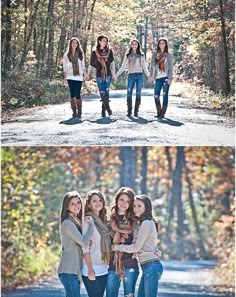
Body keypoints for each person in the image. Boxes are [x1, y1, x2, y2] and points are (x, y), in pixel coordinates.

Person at [112, 195, 163, 297]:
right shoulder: (142, 223)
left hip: (151, 266)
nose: (136, 209)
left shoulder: (147, 223)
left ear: (146, 207)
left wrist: (116, 247)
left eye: (139, 206)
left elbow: (136, 247)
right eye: (134, 206)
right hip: (148, 266)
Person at [57, 191, 94, 297]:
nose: (76, 206)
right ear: (67, 206)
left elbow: (81, 243)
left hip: (73, 270)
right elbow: (83, 242)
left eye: (78, 202)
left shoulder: (76, 222)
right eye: (72, 204)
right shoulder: (68, 223)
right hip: (68, 270)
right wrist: (91, 226)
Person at [106, 187, 139, 297]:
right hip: (113, 264)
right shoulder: (108, 220)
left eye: (128, 201)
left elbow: (144, 238)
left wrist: (154, 249)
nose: (124, 203)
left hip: (130, 263)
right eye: (122, 199)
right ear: (117, 200)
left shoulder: (135, 221)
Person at [82, 190, 111, 297]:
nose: (98, 203)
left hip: (104, 267)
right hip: (91, 267)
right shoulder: (87, 221)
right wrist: (90, 269)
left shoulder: (105, 222)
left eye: (100, 200)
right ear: (89, 204)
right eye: (94, 201)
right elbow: (85, 247)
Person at [115, 39, 150, 117]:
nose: (134, 45)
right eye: (133, 44)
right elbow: (123, 66)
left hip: (139, 75)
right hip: (131, 75)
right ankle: (129, 111)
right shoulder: (128, 55)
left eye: (135, 44)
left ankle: (136, 111)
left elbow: (144, 66)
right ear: (131, 45)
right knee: (129, 92)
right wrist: (117, 74)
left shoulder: (141, 54)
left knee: (138, 92)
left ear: (138, 45)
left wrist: (149, 76)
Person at [87, 35, 116, 117]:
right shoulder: (94, 52)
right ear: (99, 41)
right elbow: (90, 64)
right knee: (102, 92)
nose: (105, 42)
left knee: (106, 91)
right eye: (103, 40)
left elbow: (112, 63)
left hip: (108, 74)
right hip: (99, 74)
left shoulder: (109, 51)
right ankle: (108, 108)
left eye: (106, 41)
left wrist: (114, 73)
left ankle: (103, 110)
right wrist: (87, 74)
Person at [63, 37, 87, 119]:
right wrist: (65, 78)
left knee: (77, 94)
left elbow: (83, 66)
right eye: (73, 42)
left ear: (78, 45)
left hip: (79, 76)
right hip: (70, 76)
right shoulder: (66, 55)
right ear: (70, 44)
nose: (74, 44)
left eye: (76, 43)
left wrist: (85, 74)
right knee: (72, 94)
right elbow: (64, 68)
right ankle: (74, 112)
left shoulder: (80, 54)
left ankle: (79, 111)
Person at [149, 38, 173, 118]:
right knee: (156, 95)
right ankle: (159, 111)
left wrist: (170, 78)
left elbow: (170, 68)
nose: (161, 44)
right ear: (158, 45)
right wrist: (151, 76)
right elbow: (152, 66)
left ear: (165, 45)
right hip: (158, 78)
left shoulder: (169, 55)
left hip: (166, 77)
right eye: (160, 43)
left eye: (163, 43)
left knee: (165, 94)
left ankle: (162, 113)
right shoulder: (155, 54)